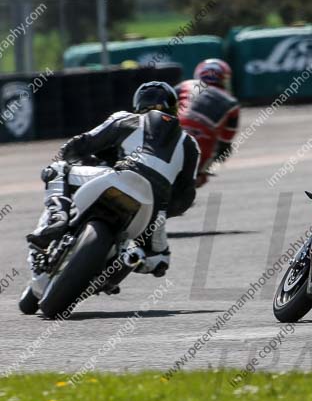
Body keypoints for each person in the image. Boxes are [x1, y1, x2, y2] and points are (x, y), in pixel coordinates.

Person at [27, 81, 200, 277]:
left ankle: (58, 219)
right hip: (154, 204)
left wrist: (71, 156)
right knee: (159, 259)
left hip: (122, 176)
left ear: (138, 106)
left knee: (56, 170)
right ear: (174, 108)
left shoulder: (126, 120)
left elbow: (82, 143)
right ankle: (128, 258)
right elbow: (186, 196)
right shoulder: (191, 145)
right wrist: (163, 211)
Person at [175, 59, 240, 186]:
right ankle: (196, 177)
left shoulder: (185, 85)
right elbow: (226, 140)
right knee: (198, 177)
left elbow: (160, 102)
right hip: (203, 139)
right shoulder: (231, 102)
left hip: (174, 129)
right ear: (225, 79)